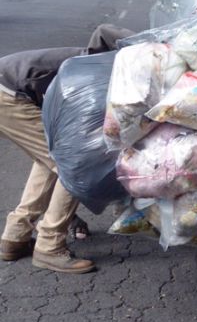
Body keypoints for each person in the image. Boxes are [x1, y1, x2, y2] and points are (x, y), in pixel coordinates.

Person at [0, 24, 132, 273]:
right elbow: (78, 158)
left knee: (51, 160)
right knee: (79, 165)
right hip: (8, 95)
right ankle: (49, 246)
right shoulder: (90, 70)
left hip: (7, 91)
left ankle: (15, 237)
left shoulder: (89, 64)